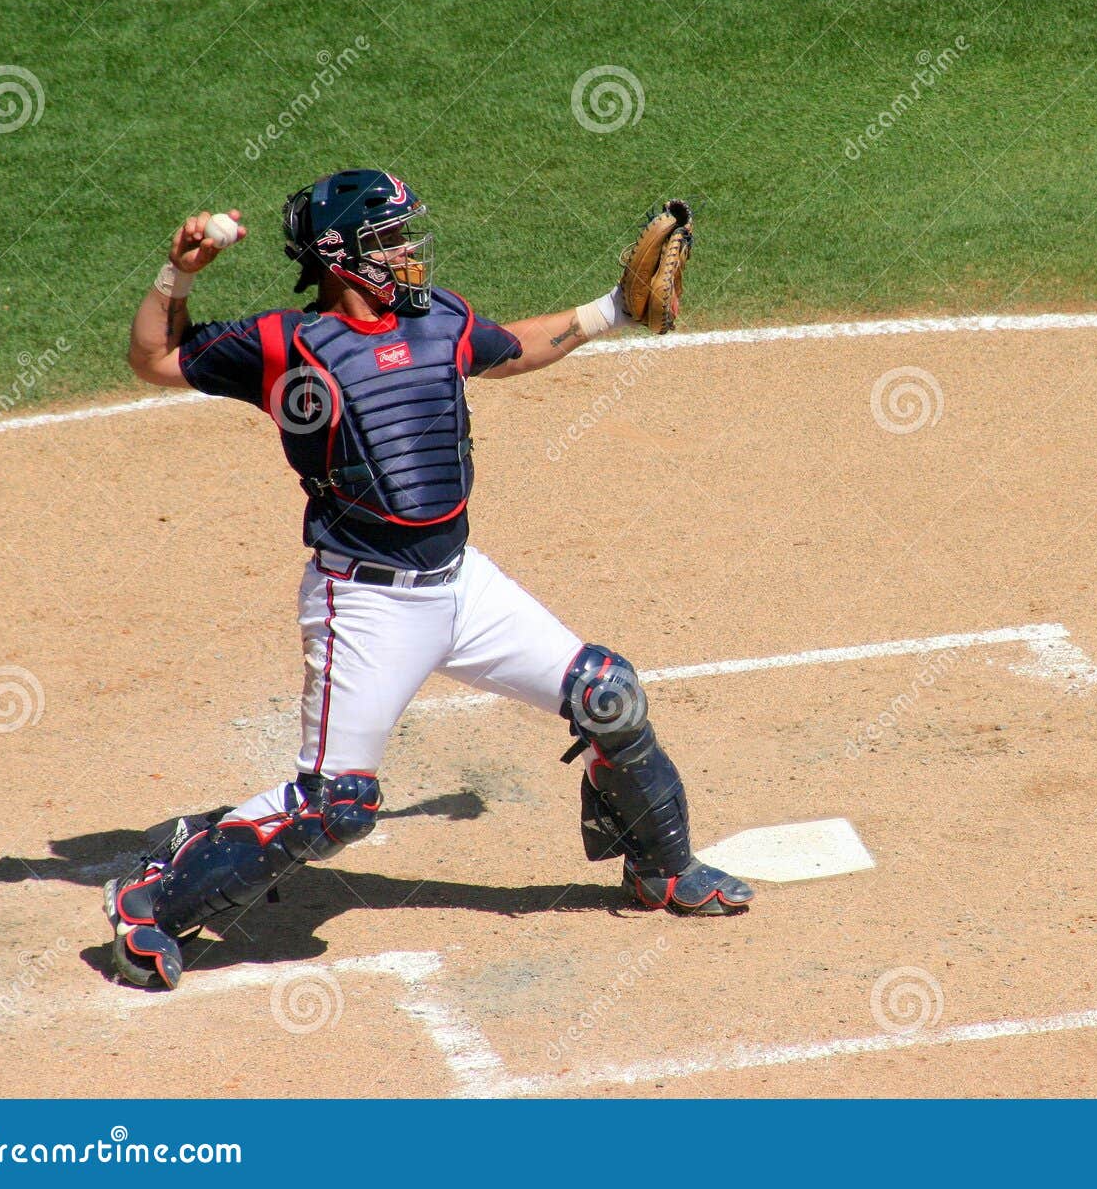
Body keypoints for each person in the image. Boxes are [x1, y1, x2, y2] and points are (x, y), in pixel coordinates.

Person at [104, 169, 751, 990]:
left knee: (608, 693)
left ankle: (662, 869)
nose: (409, 252)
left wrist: (613, 311)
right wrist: (180, 273)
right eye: (390, 240)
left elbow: (514, 348)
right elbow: (154, 357)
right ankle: (149, 900)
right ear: (342, 257)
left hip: (460, 586)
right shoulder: (283, 346)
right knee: (332, 807)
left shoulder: (442, 320)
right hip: (364, 605)